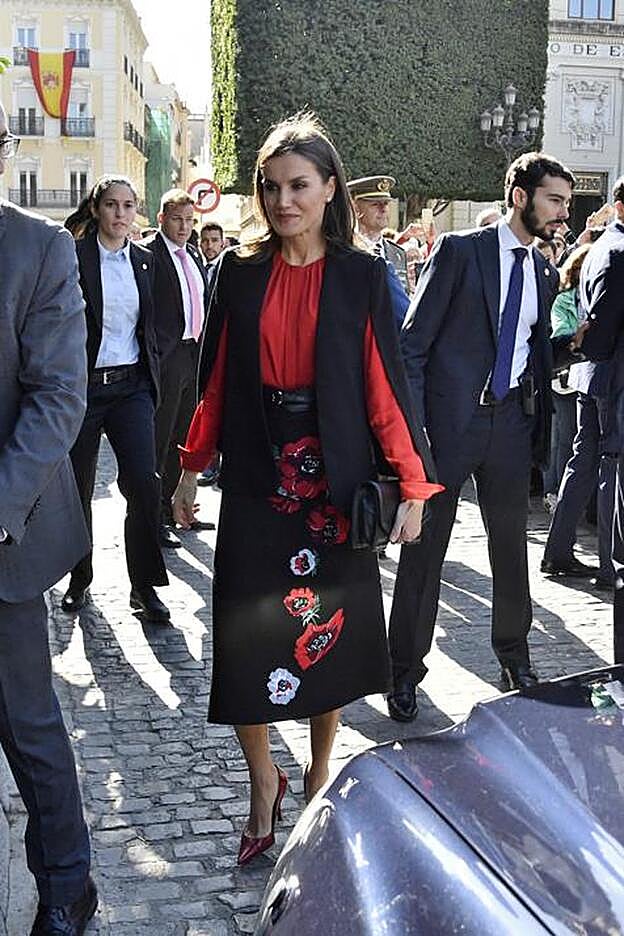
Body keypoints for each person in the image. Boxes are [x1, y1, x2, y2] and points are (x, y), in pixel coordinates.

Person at [172, 112, 442, 864]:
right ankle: (265, 781)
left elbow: (385, 387)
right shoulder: (241, 271)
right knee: (244, 637)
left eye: (299, 184)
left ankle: (321, 770)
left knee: (327, 641)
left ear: (330, 188)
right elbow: (216, 382)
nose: (283, 199)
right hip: (261, 482)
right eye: (270, 185)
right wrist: (191, 470)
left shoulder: (360, 275)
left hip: (336, 488)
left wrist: (412, 490)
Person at [388, 151, 574, 722]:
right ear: (521, 196)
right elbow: (412, 346)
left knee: (510, 544)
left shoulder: (543, 270)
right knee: (426, 550)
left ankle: (514, 657)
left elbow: (534, 353)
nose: (563, 213)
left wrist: (578, 342)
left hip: (511, 424)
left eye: (566, 202)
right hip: (450, 426)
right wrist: (418, 435)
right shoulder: (461, 251)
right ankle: (404, 671)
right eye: (555, 200)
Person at [0, 104, 97, 935]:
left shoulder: (39, 249)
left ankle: (68, 883)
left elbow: (59, 398)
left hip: (5, 533)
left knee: (27, 725)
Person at [61, 175, 170, 622]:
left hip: (131, 388)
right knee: (79, 489)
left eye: (128, 205)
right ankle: (78, 578)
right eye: (112, 205)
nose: (121, 214)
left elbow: (161, 318)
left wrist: (152, 369)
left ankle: (144, 588)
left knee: (144, 484)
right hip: (84, 388)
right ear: (97, 209)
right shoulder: (73, 256)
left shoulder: (145, 261)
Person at [143, 189, 215, 548]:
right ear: (162, 220)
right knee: (160, 437)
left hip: (192, 357)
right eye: (177, 219)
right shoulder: (150, 255)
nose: (185, 227)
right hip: (166, 359)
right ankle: (153, 516)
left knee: (184, 438)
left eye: (189, 221)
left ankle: (177, 507)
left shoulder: (194, 256)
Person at [573, 177, 624, 658]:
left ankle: (561, 547)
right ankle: (611, 563)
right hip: (611, 376)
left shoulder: (606, 244)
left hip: (599, 376)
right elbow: (605, 318)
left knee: (590, 465)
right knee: (611, 469)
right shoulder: (615, 249)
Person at [540, 245, 591, 515]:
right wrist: (578, 336)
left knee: (572, 438)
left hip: (582, 375)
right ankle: (554, 493)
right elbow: (560, 331)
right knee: (563, 436)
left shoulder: (592, 298)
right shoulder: (565, 300)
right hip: (564, 378)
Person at [348, 175, 410, 293]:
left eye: (386, 203)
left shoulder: (398, 253)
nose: (383, 209)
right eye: (375, 204)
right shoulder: (345, 249)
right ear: (356, 208)